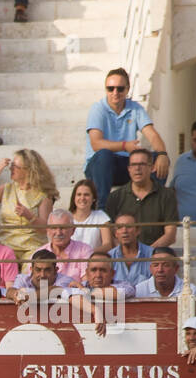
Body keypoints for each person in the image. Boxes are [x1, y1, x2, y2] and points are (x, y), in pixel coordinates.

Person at [83, 66, 171, 209]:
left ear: (127, 89)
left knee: (157, 159)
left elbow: (152, 134)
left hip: (125, 164)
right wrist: (124, 146)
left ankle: (153, 207)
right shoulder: (98, 109)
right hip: (100, 166)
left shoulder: (135, 108)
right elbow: (96, 144)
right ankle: (101, 210)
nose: (115, 93)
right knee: (105, 155)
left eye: (120, 88)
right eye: (110, 89)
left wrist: (162, 154)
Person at [0, 149, 57, 259]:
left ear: (28, 170)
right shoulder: (7, 188)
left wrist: (29, 216)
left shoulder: (43, 195)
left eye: (15, 166)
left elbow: (44, 229)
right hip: (5, 245)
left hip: (31, 246)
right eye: (11, 165)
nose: (10, 168)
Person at [105, 148, 178, 248]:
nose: (137, 168)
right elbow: (110, 235)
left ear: (152, 168)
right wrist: (124, 253)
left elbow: (170, 235)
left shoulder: (167, 195)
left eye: (142, 164)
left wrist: (146, 253)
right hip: (124, 256)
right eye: (133, 165)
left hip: (156, 255)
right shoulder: (115, 197)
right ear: (129, 169)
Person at [107, 213, 153, 289]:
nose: (124, 231)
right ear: (115, 233)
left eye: (129, 227)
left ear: (138, 230)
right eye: (120, 227)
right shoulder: (109, 257)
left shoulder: (152, 254)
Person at [68, 178, 112, 254]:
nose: (82, 198)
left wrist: (88, 253)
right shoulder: (67, 217)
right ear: (74, 198)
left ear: (93, 198)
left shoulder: (101, 216)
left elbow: (107, 245)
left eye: (86, 195)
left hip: (93, 260)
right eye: (79, 194)